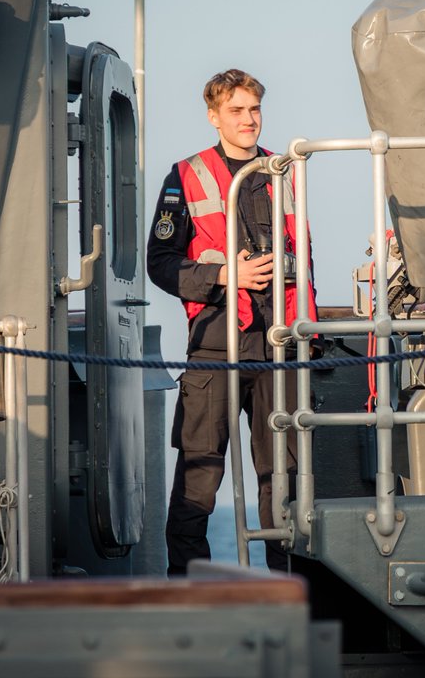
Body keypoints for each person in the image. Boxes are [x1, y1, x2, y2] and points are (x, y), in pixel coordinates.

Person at [146, 68, 316, 573]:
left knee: (282, 481)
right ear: (214, 116)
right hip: (216, 348)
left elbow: (303, 259)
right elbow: (160, 263)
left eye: (254, 109)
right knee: (198, 478)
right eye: (237, 110)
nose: (249, 120)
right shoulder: (186, 175)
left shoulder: (284, 171)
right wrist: (227, 275)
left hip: (280, 347)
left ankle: (288, 598)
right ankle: (188, 600)